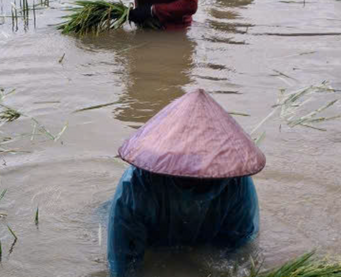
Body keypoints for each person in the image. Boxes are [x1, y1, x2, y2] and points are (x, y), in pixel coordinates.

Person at [107, 89, 265, 276]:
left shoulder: (236, 186)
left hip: (205, 239)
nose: (196, 174)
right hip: (153, 240)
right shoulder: (135, 188)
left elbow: (238, 251)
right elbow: (123, 261)